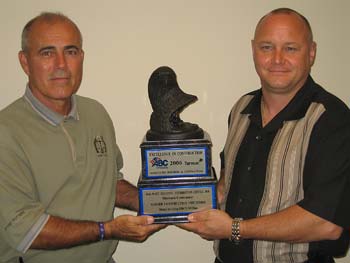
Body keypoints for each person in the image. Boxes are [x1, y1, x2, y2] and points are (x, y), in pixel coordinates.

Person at [179, 7, 350, 263]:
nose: (277, 59)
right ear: (253, 49)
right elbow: (227, 183)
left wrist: (233, 229)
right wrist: (180, 201)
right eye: (267, 47)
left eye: (291, 48)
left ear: (311, 52)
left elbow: (325, 223)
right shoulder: (241, 108)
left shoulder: (331, 119)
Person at [0, 12, 165, 263]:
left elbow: (108, 182)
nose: (61, 65)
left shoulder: (95, 113)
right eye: (47, 53)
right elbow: (25, 229)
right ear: (25, 62)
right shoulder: (6, 131)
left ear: (82, 57)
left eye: (71, 51)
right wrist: (107, 230)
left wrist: (161, 202)